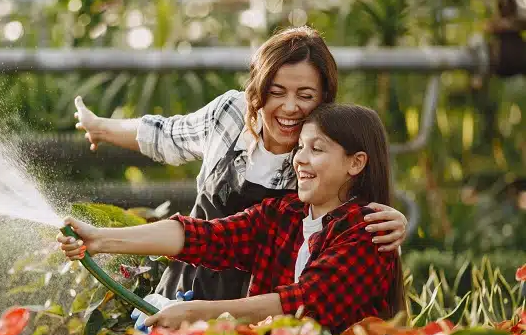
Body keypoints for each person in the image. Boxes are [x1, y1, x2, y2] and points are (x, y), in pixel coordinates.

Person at [72, 25, 407, 302]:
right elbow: (165, 134)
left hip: (262, 302)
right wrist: (101, 127)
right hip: (189, 279)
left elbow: (355, 206)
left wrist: (394, 221)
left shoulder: (320, 158)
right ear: (258, 90)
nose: (290, 107)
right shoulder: (230, 115)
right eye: (276, 92)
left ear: (324, 99)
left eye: (305, 96)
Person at [58, 103, 406, 335]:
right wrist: (99, 239)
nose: (300, 159)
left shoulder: (368, 233)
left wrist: (197, 315)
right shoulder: (283, 215)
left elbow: (301, 303)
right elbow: (206, 237)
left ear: (356, 163)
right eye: (300, 146)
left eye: (317, 149)